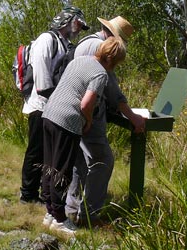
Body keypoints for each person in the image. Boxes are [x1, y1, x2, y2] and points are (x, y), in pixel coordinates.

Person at [41, 37, 127, 236]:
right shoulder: (100, 74)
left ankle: (50, 213)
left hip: (48, 115)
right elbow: (86, 104)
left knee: (49, 166)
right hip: (67, 121)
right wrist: (88, 121)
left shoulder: (79, 60)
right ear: (114, 59)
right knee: (62, 170)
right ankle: (60, 219)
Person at [65, 16, 146, 227]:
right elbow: (111, 90)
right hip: (88, 114)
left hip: (71, 111)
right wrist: (132, 116)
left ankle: (72, 208)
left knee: (80, 162)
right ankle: (89, 216)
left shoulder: (85, 42)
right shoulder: (102, 48)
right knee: (103, 161)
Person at [19, 6, 89, 204]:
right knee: (36, 151)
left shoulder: (64, 43)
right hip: (40, 106)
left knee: (48, 155)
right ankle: (28, 194)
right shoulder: (46, 40)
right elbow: (42, 81)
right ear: (68, 21)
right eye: (78, 23)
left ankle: (42, 193)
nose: (79, 28)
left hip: (52, 107)